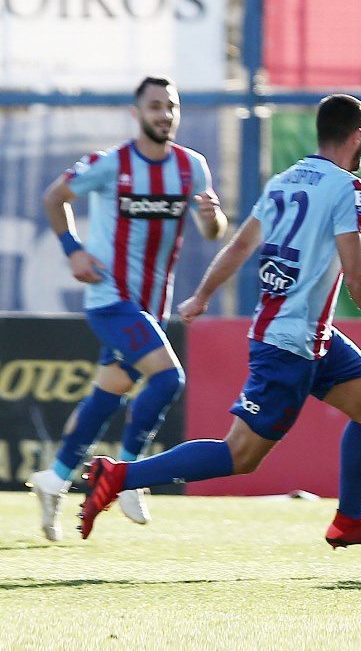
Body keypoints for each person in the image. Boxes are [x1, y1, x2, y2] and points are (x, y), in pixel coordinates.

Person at [77, 94, 361, 552]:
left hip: (310, 335)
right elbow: (357, 276)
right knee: (240, 455)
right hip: (288, 341)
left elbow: (241, 246)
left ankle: (349, 520)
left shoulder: (284, 181)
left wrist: (203, 295)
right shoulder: (349, 188)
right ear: (358, 137)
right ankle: (119, 475)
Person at [28, 75, 227, 541]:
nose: (164, 114)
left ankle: (54, 478)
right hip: (110, 299)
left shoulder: (192, 167)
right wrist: (73, 250)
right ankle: (131, 477)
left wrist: (212, 217)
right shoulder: (111, 163)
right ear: (136, 114)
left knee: (109, 392)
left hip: (151, 307)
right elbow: (55, 197)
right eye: (155, 106)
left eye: (171, 106)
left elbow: (213, 231)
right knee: (168, 378)